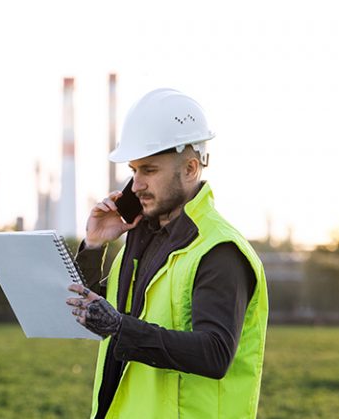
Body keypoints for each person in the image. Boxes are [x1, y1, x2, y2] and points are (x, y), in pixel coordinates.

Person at [65, 88, 268, 418]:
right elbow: (91, 313)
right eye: (134, 170)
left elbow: (215, 353)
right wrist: (93, 246)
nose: (136, 184)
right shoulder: (140, 238)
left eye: (149, 170)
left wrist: (120, 327)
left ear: (190, 169)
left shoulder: (219, 251)